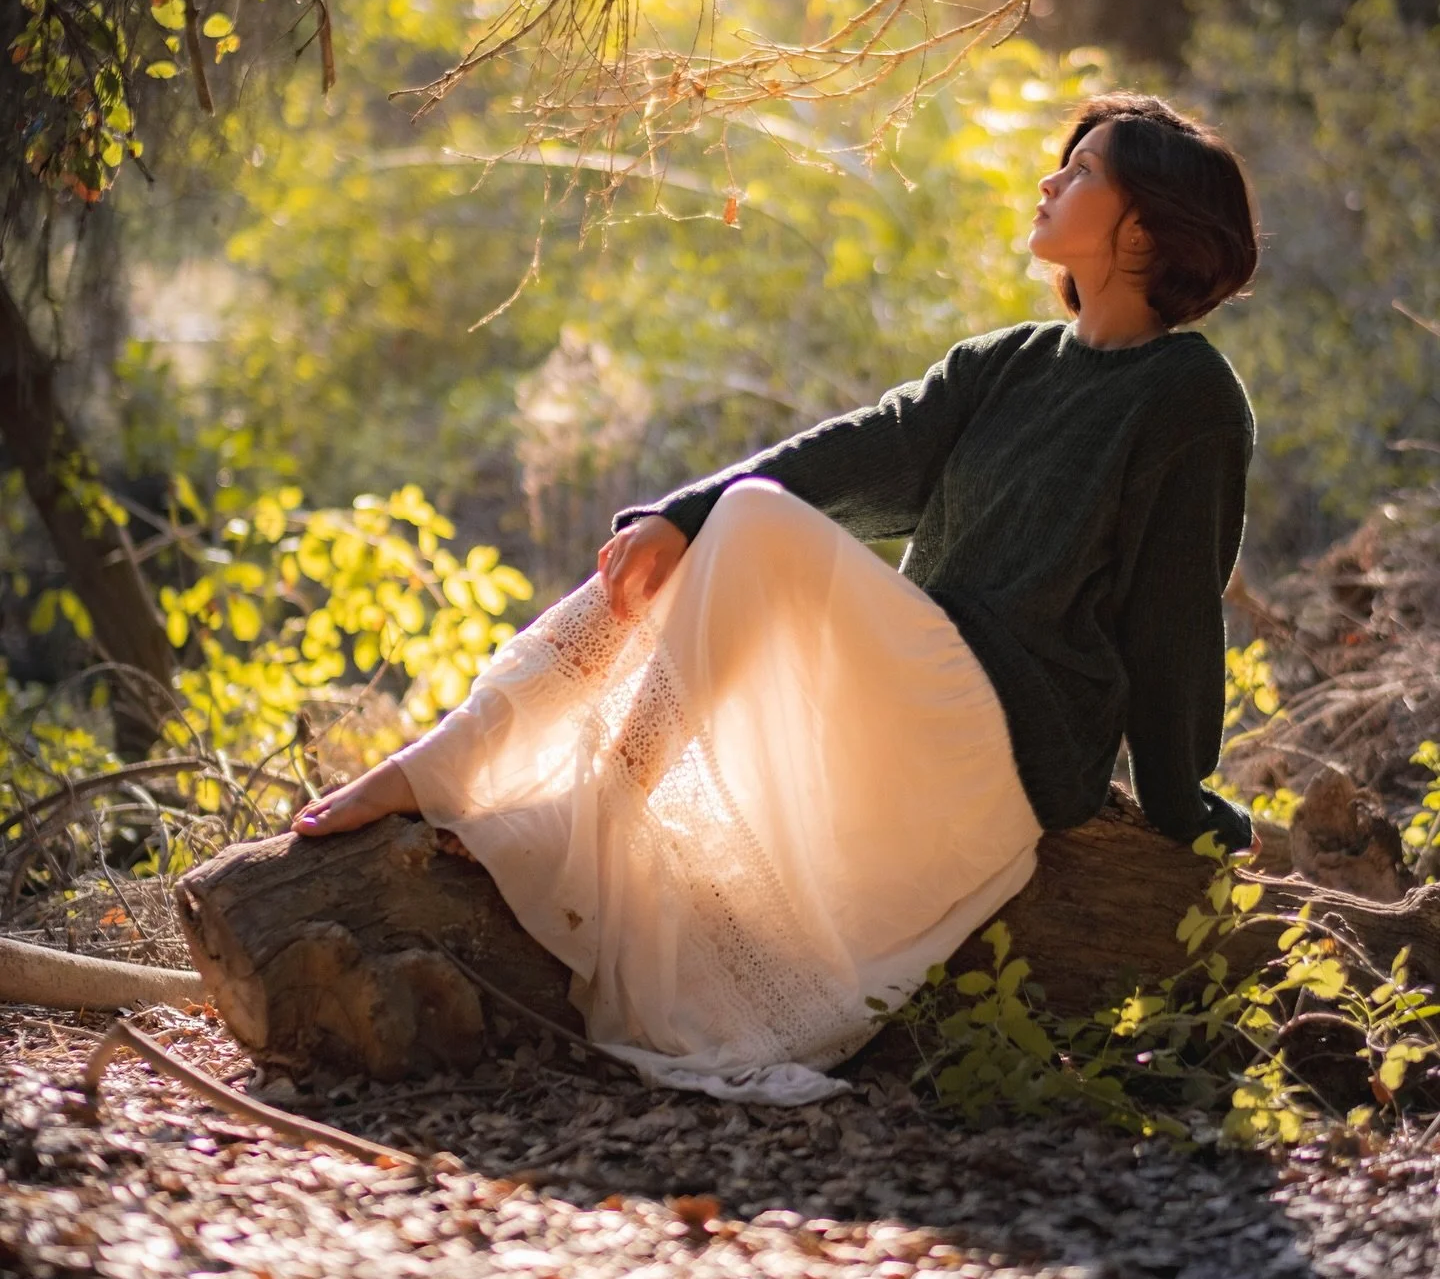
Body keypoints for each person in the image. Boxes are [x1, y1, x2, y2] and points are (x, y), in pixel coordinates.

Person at [292, 91, 1260, 1104]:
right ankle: (571, 795)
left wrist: (1183, 804)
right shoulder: (1007, 365)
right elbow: (861, 452)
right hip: (915, 705)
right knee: (733, 524)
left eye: (1084, 170)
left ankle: (460, 767)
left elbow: (1175, 620)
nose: (1050, 180)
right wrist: (680, 510)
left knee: (748, 522)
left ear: (1143, 226)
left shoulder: (1188, 397)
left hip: (1007, 746)